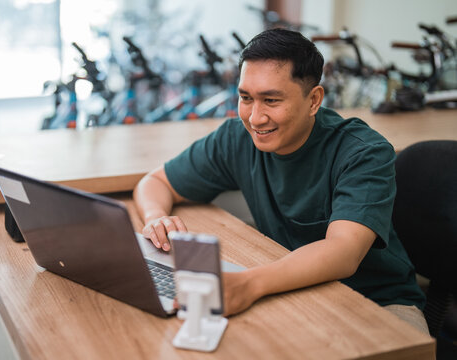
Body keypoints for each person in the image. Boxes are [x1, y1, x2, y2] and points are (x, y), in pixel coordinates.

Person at [133, 28, 428, 333]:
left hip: (378, 302)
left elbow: (343, 253)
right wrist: (157, 219)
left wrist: (248, 284)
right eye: (245, 98)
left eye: (271, 100)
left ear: (314, 100)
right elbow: (155, 182)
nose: (255, 117)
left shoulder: (363, 152)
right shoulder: (236, 138)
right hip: (293, 289)